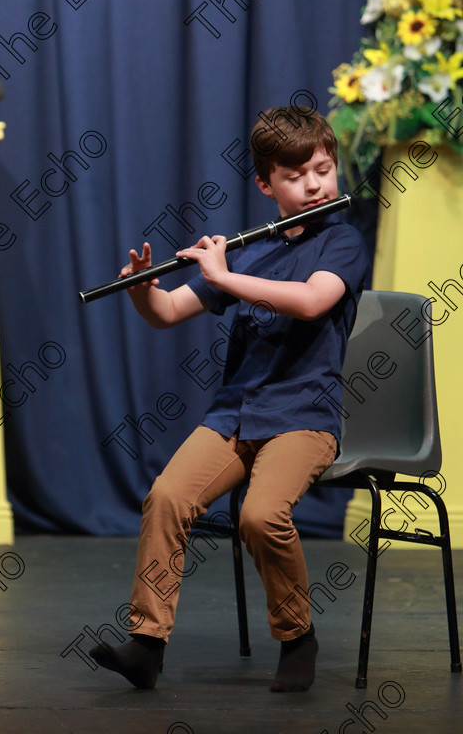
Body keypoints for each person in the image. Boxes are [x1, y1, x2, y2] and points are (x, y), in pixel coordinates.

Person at [90, 106, 370, 692]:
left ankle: (297, 637)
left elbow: (313, 301)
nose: (316, 184)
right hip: (236, 414)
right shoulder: (248, 251)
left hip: (305, 416)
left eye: (323, 168)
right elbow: (167, 313)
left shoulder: (344, 241)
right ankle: (146, 645)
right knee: (166, 496)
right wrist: (145, 290)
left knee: (261, 515)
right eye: (296, 177)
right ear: (267, 185)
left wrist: (222, 277)